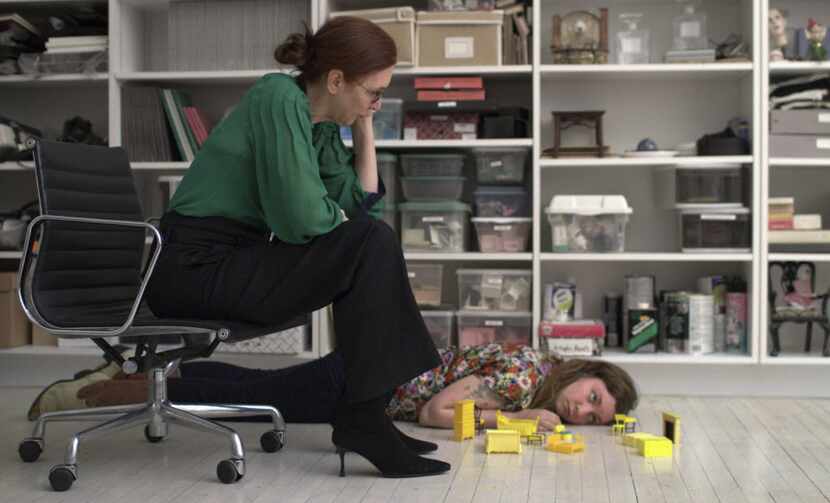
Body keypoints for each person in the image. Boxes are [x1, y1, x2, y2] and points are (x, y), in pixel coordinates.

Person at [138, 17, 450, 479]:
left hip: (237, 259)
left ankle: (367, 414)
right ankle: (364, 417)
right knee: (368, 243)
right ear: (337, 79)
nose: (378, 103)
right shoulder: (278, 97)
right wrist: (342, 223)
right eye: (373, 93)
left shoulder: (319, 126)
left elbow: (361, 207)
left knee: (370, 239)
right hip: (193, 265)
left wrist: (364, 123)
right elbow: (301, 217)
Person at [32, 343, 639, 435]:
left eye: (594, 416)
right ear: (583, 373)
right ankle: (89, 395)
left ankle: (149, 373)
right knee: (253, 405)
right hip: (367, 382)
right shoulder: (522, 380)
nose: (581, 411)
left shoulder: (533, 370)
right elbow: (435, 413)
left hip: (371, 370)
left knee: (258, 388)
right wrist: (520, 423)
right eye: (591, 396)